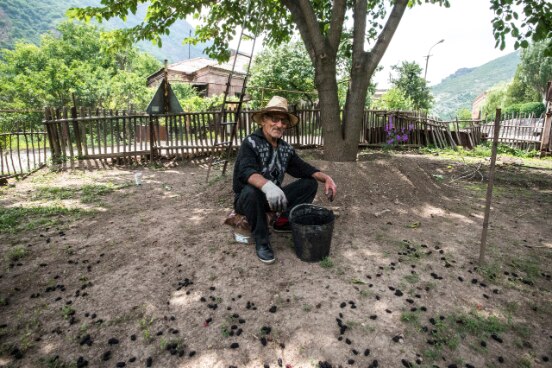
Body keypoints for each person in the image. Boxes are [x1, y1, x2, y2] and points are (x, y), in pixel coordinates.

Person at [233, 96, 337, 264]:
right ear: (264, 120)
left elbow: (304, 168)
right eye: (275, 119)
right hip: (247, 200)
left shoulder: (285, 148)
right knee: (252, 191)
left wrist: (326, 178)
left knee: (309, 183)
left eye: (283, 121)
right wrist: (268, 186)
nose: (279, 125)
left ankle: (283, 222)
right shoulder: (250, 142)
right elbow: (246, 172)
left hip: (273, 199)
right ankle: (262, 241)